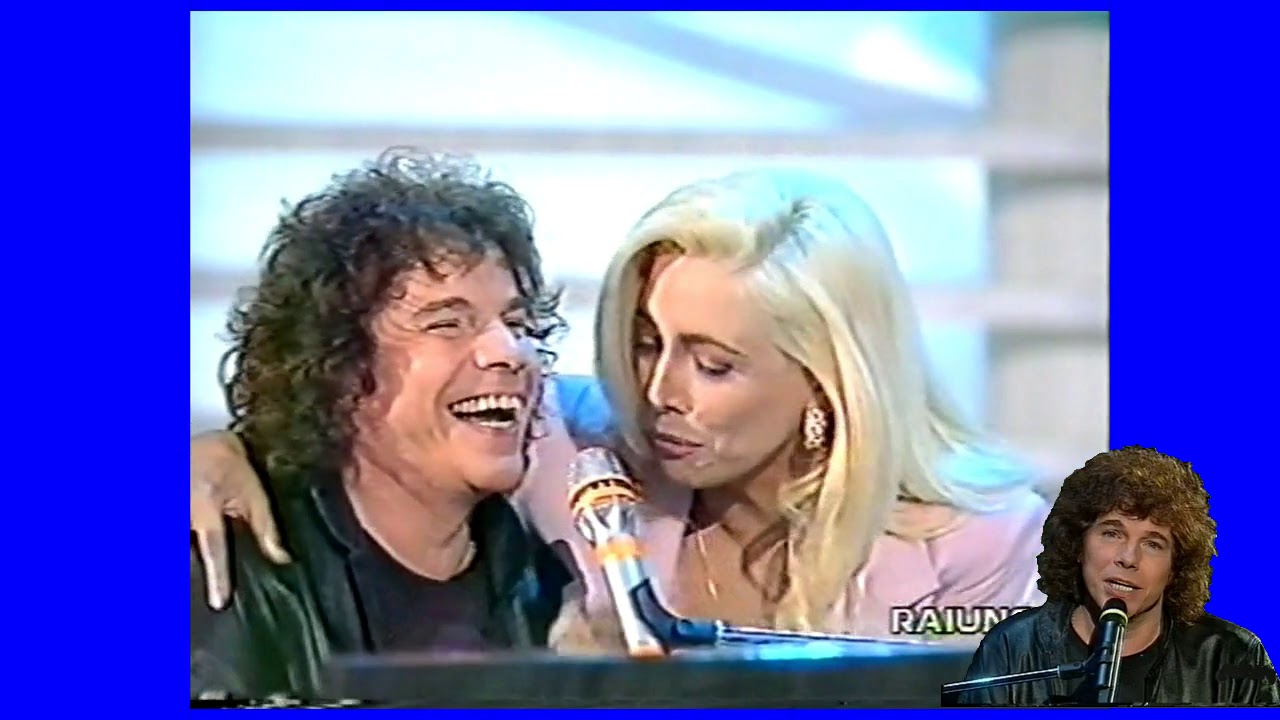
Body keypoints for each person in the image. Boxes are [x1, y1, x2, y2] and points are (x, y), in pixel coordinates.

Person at [191, 166, 1051, 653]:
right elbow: (362, 392)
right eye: (644, 343)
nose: (659, 392)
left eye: (713, 364)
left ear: (828, 380)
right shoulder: (576, 436)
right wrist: (211, 450)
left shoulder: (987, 547)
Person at [190, 149, 571, 700]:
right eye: (447, 323)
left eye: (516, 323)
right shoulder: (219, 562)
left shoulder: (548, 584)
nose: (509, 352)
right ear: (339, 365)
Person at [955, 446, 1278, 706]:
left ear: (1175, 568)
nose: (1128, 558)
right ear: (1078, 545)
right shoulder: (1014, 647)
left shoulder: (1230, 654)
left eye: (1153, 544)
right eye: (1112, 533)